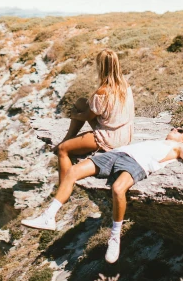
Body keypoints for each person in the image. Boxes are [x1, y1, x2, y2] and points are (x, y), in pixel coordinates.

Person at [22, 127, 183, 263]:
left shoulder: (180, 147)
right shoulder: (158, 141)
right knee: (73, 171)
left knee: (118, 189)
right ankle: (49, 216)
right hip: (116, 155)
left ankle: (115, 237)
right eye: (174, 127)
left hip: (136, 164)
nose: (174, 129)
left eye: (180, 130)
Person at [55, 49, 134, 184]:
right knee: (81, 102)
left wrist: (74, 114)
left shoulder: (103, 91)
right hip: (124, 135)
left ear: (100, 67)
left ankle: (64, 187)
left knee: (63, 150)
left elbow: (87, 116)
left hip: (110, 137)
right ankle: (67, 138)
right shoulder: (125, 86)